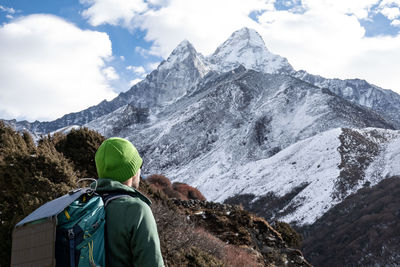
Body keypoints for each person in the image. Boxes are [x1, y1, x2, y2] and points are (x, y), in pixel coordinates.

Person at [94, 137, 164, 267]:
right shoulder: (137, 210)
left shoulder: (82, 204)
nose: (140, 170)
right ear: (131, 171)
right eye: (138, 165)